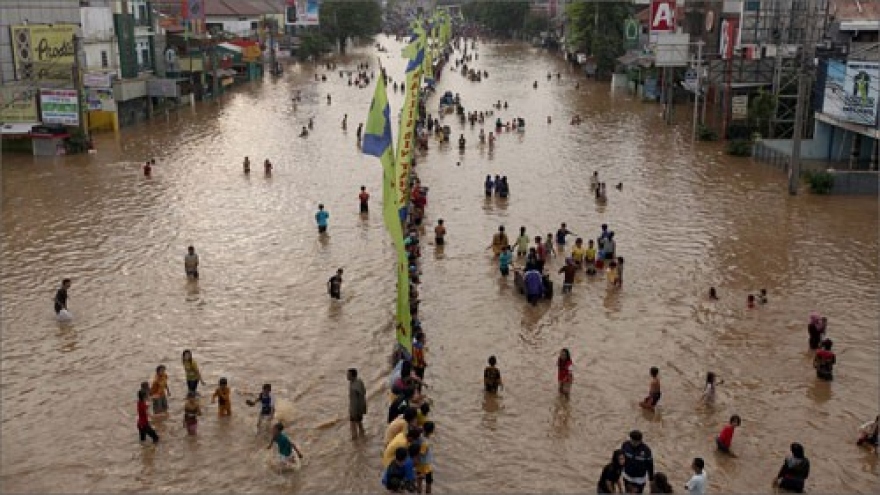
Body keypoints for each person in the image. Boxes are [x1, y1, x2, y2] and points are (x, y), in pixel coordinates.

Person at [347, 368, 367, 439]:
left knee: (353, 425)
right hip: (360, 407)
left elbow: (356, 401)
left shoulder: (354, 387)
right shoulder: (359, 381)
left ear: (352, 376)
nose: (347, 376)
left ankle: (354, 440)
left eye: (348, 375)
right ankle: (363, 436)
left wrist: (354, 411)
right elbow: (364, 391)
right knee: (359, 423)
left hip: (355, 409)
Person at [416, 422, 435, 494]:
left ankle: (419, 493)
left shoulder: (420, 436)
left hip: (419, 465)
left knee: (419, 482)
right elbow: (421, 453)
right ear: (432, 431)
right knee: (428, 482)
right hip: (425, 465)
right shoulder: (425, 443)